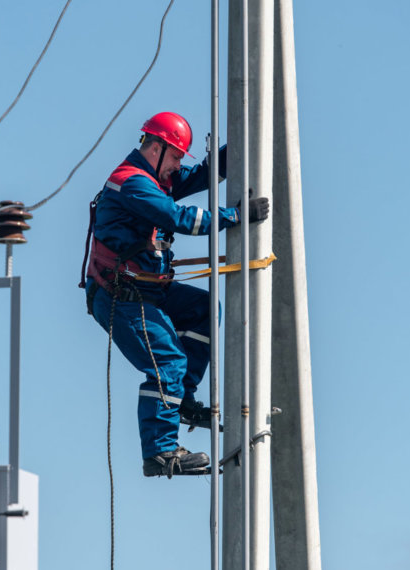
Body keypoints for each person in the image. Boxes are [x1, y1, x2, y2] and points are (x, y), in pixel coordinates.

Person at [79, 112, 269, 477]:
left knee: (202, 310)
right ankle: (160, 453)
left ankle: (182, 399)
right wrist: (234, 216)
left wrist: (240, 148)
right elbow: (178, 217)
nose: (179, 166)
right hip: (121, 298)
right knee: (167, 365)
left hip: (146, 291)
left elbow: (197, 177)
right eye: (177, 157)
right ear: (157, 148)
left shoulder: (154, 177)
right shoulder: (132, 184)